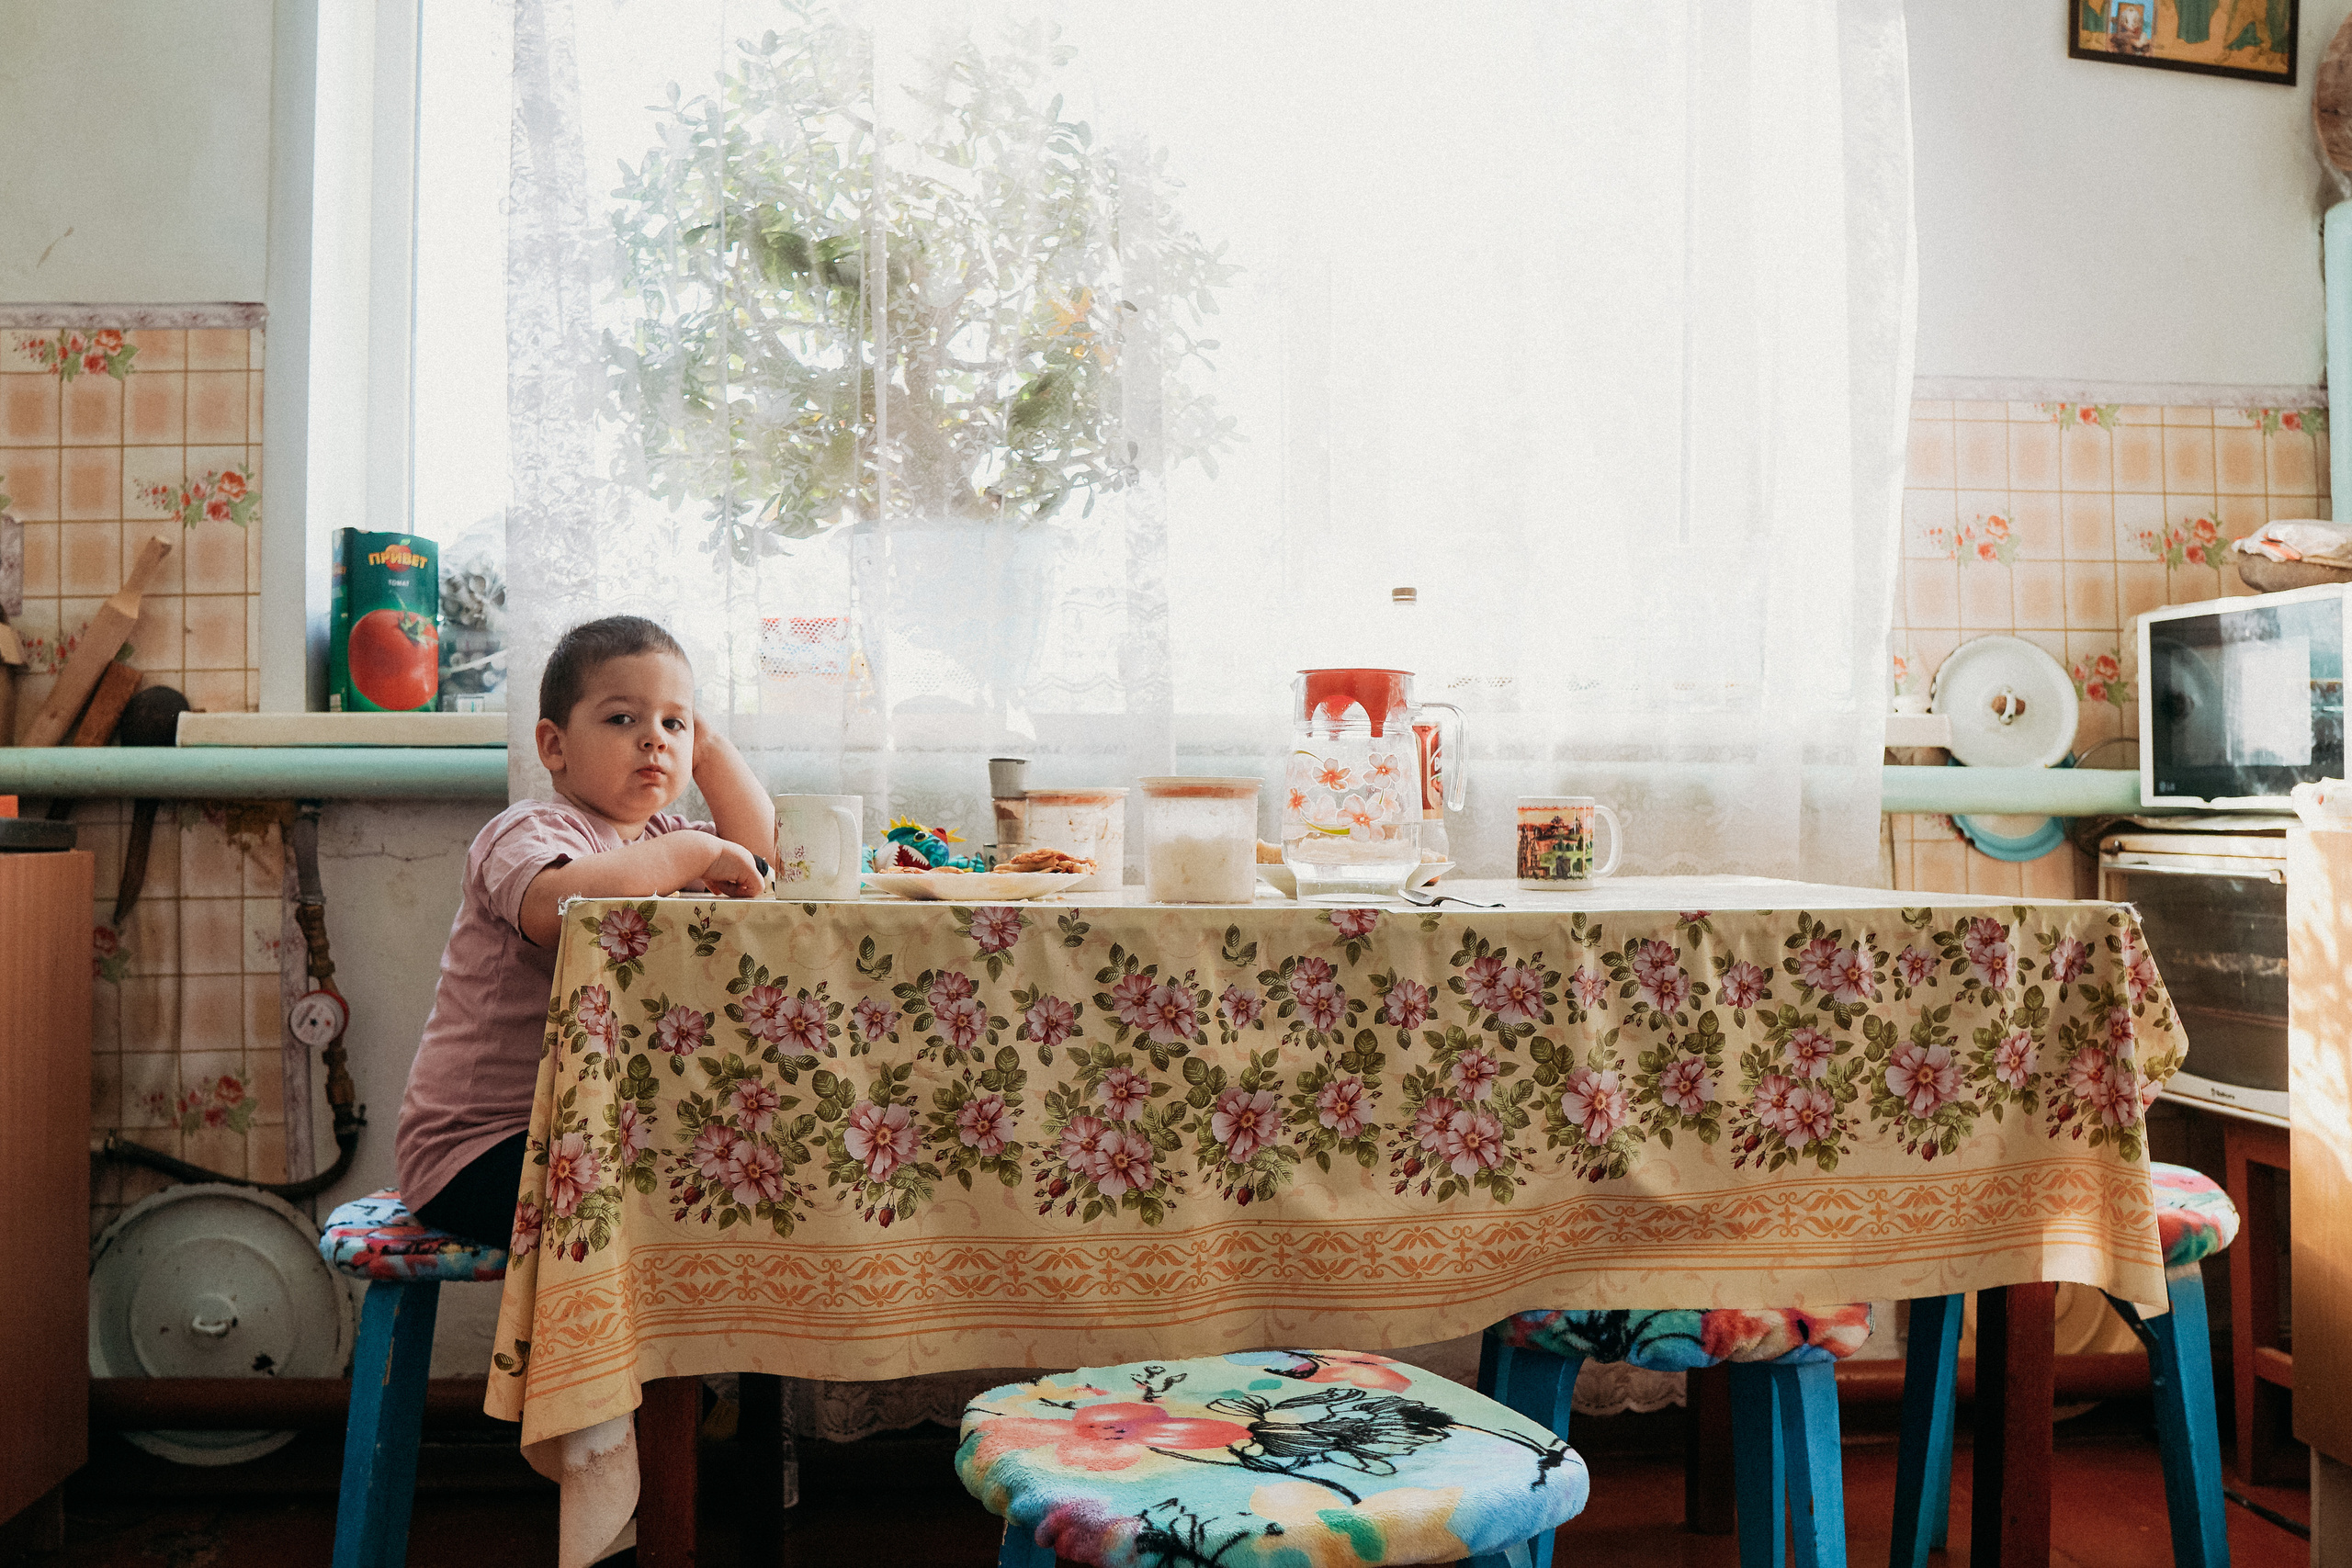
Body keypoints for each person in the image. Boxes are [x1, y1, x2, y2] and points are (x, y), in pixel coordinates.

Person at [393, 615, 775, 1247]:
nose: (653, 739)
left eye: (671, 723)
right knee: (689, 1199)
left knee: (731, 1169)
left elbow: (761, 862)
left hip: (572, 1130)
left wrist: (704, 747)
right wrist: (688, 853)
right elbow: (553, 908)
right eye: (622, 718)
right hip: (477, 1151)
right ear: (554, 745)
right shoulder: (528, 831)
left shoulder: (657, 840)